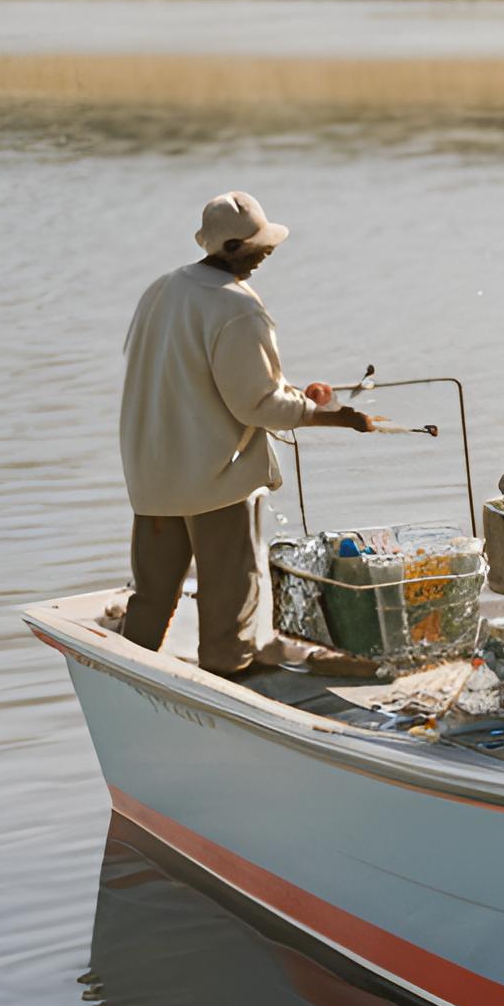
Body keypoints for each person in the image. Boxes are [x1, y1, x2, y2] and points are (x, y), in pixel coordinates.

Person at [120, 191, 371, 676]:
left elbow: (190, 378)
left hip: (152, 473)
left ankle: (129, 671)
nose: (266, 253)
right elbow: (257, 405)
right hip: (214, 479)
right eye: (258, 247)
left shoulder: (162, 289)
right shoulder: (236, 307)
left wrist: (297, 393)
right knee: (231, 586)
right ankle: (229, 671)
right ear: (231, 246)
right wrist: (342, 418)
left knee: (152, 592)